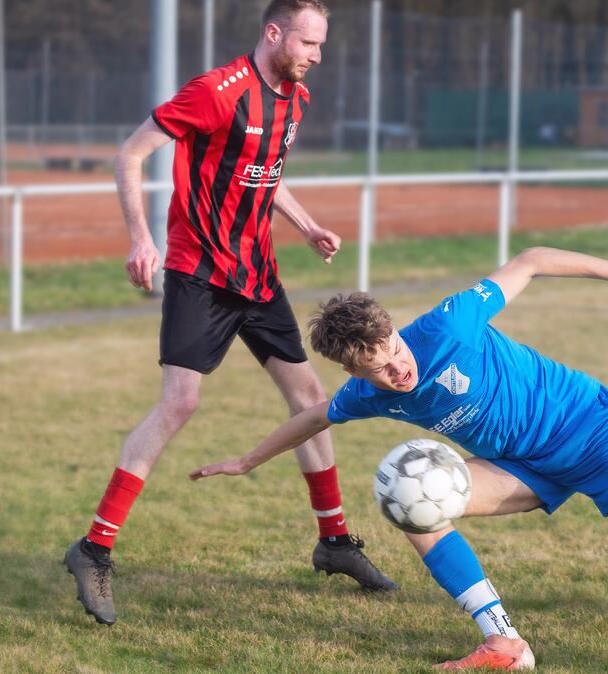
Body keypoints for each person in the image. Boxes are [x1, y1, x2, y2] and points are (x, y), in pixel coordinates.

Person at [190, 246, 608, 673]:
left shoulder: (449, 325)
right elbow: (314, 415)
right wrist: (248, 461)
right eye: (378, 368)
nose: (398, 370)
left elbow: (530, 260)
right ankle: (504, 642)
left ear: (395, 328)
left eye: (393, 351)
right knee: (414, 503)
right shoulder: (370, 394)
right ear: (355, 369)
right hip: (524, 468)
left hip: (590, 427)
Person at [63, 0, 397, 627]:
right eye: (308, 43)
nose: (316, 57)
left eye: (322, 46)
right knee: (179, 404)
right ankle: (93, 548)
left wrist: (306, 226)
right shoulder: (217, 92)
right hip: (199, 275)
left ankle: (334, 542)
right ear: (273, 34)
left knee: (311, 400)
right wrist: (141, 238)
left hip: (259, 276)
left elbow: (264, 176)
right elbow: (130, 155)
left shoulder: (294, 100)